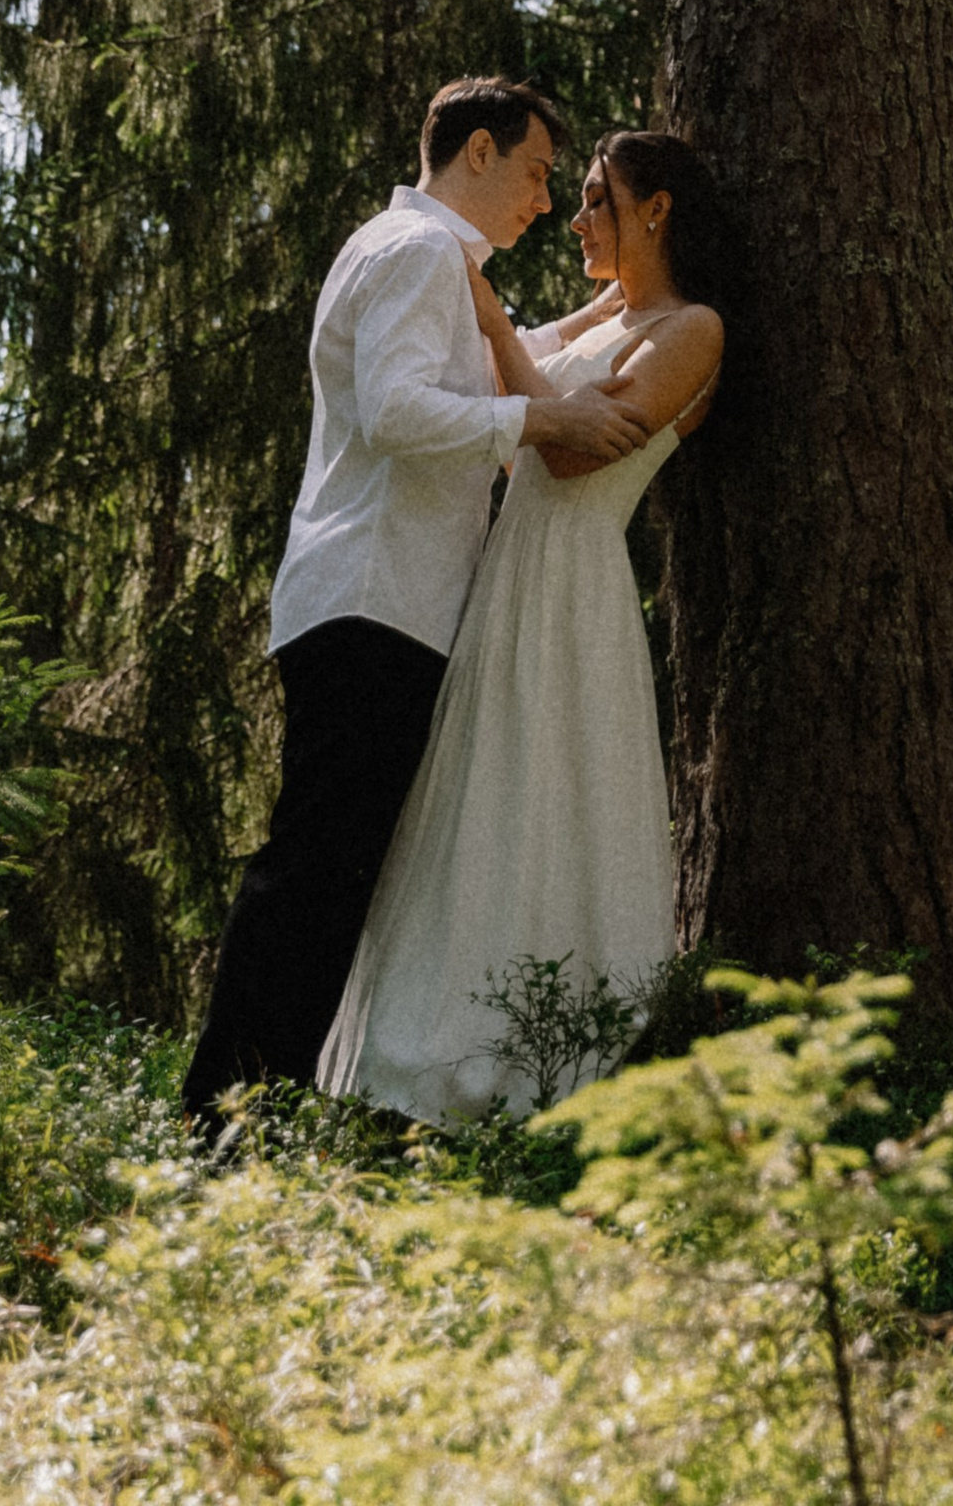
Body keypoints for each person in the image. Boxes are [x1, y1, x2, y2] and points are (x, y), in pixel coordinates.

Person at [180, 77, 655, 1123]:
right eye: (536, 173)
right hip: (372, 599)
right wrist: (538, 426)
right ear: (475, 152)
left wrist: (605, 317)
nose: (543, 202)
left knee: (337, 870)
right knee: (315, 870)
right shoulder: (414, 254)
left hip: (382, 599)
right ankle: (222, 1119)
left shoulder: (426, 259)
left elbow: (461, 376)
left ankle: (250, 1113)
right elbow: (394, 409)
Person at [318, 130, 726, 1122]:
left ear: (657, 209)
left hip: (573, 580)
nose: (576, 219)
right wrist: (540, 319)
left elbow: (573, 452)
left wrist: (495, 323)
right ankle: (419, 1055)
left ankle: (546, 1058)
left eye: (595, 200)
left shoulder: (692, 330)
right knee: (473, 800)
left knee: (546, 796)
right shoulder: (618, 316)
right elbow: (537, 383)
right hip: (505, 579)